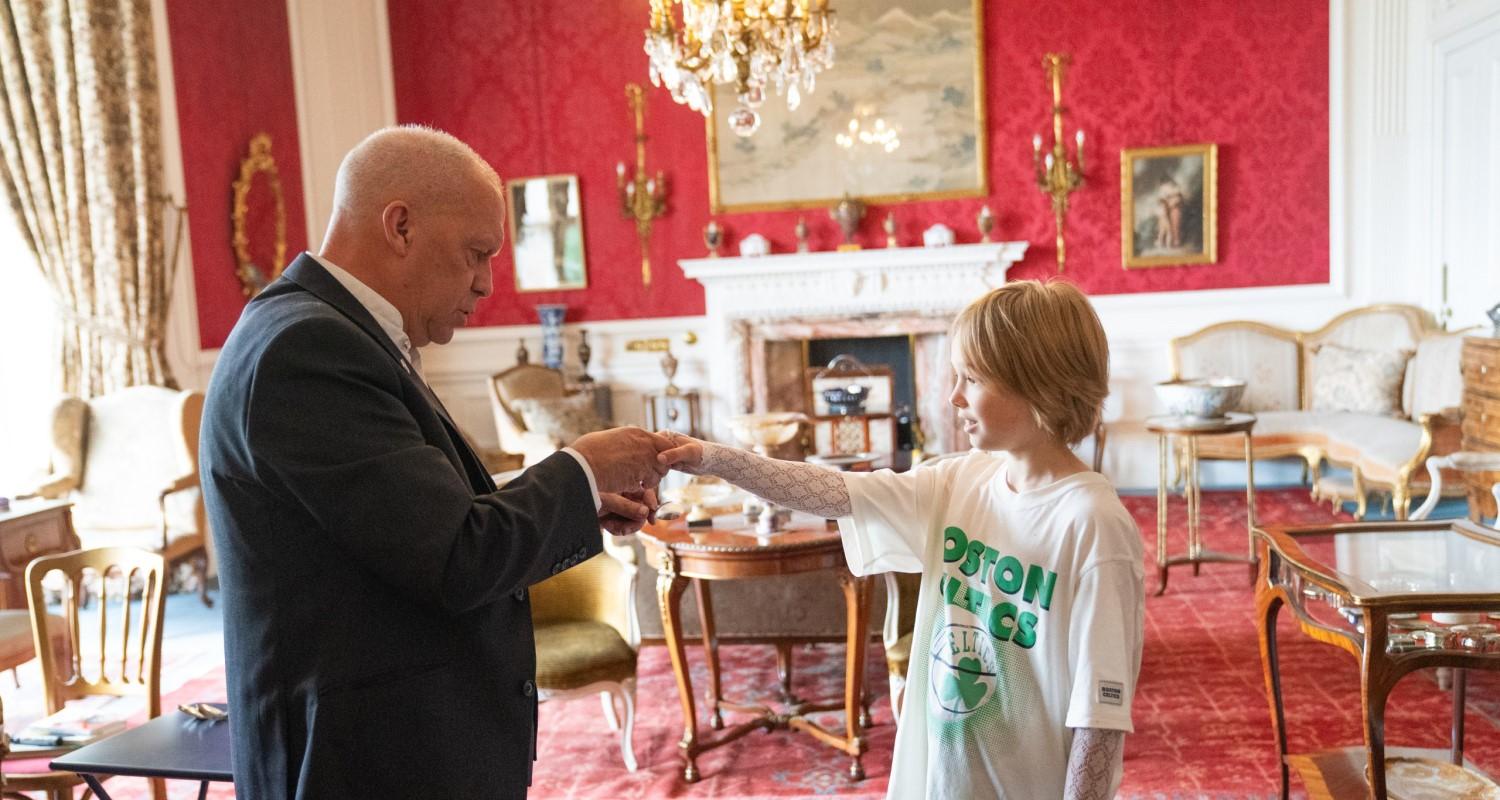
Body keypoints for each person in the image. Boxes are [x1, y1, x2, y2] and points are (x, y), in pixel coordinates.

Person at [200, 125, 671, 799]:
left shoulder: (331, 332)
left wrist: (577, 500)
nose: (485, 283)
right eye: (476, 253)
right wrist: (584, 465)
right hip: (361, 762)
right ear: (400, 227)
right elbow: (456, 555)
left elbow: (407, 515)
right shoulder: (306, 349)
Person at [658, 280, 1145, 799]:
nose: (954, 395)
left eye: (973, 379)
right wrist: (711, 458)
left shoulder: (1094, 525)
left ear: (1039, 385)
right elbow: (834, 492)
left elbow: (1099, 720)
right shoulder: (960, 480)